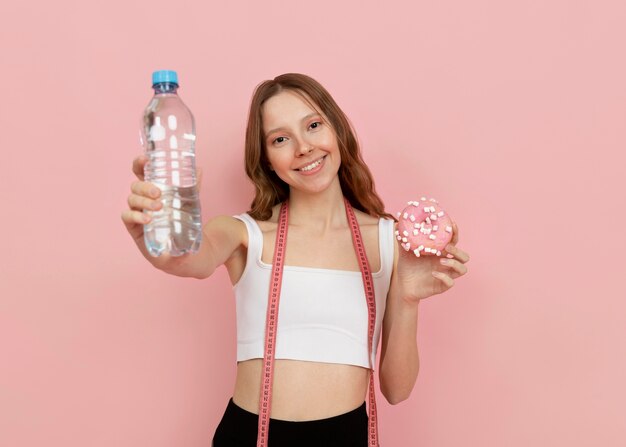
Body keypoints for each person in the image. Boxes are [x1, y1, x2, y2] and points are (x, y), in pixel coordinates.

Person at [121, 73, 470, 446]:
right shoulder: (245, 234)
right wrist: (157, 243)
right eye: (281, 139)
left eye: (314, 125)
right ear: (268, 160)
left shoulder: (389, 240)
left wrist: (406, 298)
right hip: (251, 435)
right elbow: (189, 259)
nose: (303, 147)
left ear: (337, 132)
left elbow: (397, 390)